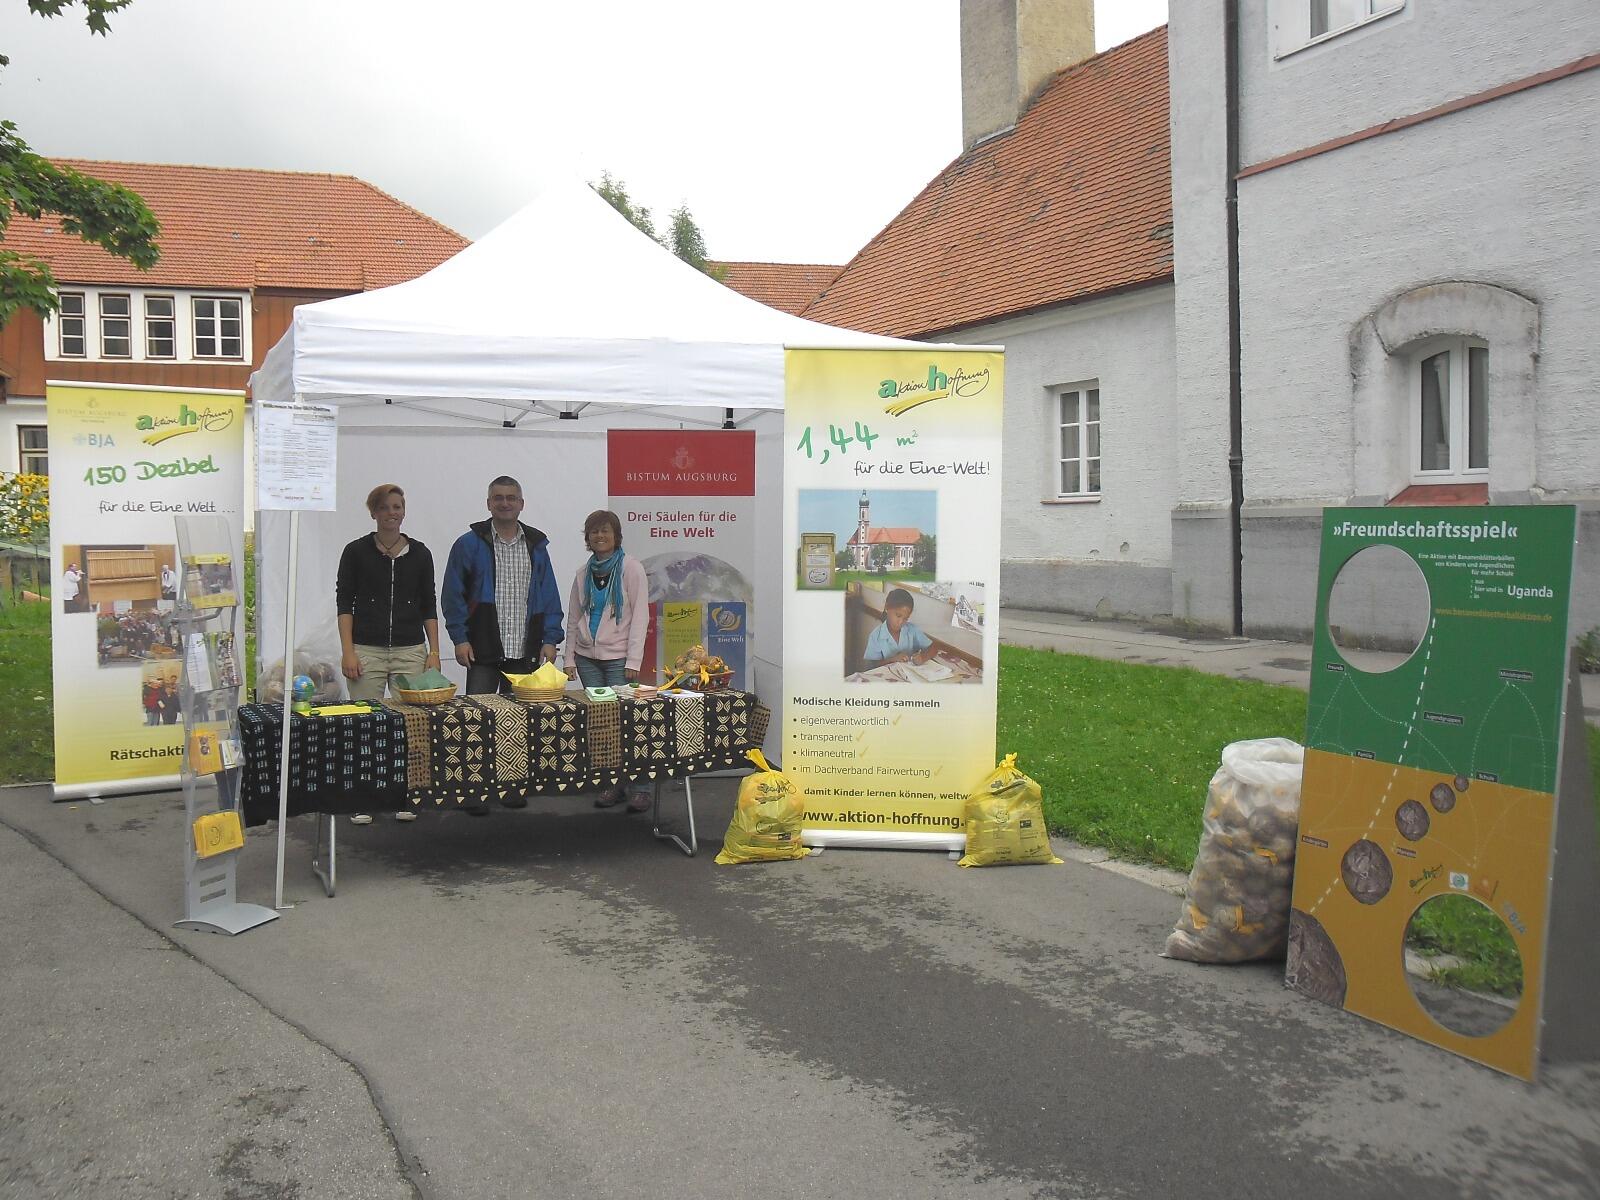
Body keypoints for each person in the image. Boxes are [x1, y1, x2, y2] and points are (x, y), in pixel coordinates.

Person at [441, 476, 565, 815]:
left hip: (524, 650)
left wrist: (551, 638)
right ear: (489, 503)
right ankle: (474, 791)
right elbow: (452, 595)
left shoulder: (536, 545)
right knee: (475, 721)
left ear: (522, 504)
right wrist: (459, 637)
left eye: (511, 498)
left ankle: (511, 787)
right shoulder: (468, 544)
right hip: (481, 649)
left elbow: (550, 594)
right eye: (498, 497)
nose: (505, 503)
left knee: (515, 724)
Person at [336, 483, 442, 825]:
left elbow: (429, 605)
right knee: (363, 723)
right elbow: (344, 604)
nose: (391, 513)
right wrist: (348, 652)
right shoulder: (355, 552)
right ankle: (362, 797)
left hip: (411, 650)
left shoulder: (421, 553)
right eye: (384, 507)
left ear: (404, 511)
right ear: (373, 513)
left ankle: (405, 794)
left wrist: (434, 652)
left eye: (397, 507)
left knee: (408, 725)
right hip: (366, 649)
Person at [563, 509, 651, 812]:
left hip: (620, 660)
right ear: (587, 537)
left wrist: (634, 660)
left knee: (629, 723)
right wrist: (569, 658)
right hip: (588, 660)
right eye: (593, 531)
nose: (599, 536)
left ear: (616, 535)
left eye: (605, 531)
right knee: (601, 726)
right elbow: (574, 618)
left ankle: (640, 787)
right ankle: (612, 784)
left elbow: (641, 616)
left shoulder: (631, 568)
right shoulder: (583, 572)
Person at [863, 587, 935, 667]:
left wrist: (923, 657)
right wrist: (892, 659)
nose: (901, 622)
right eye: (898, 616)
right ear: (887, 607)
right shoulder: (876, 636)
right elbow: (870, 665)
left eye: (905, 618)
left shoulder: (912, 630)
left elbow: (933, 647)